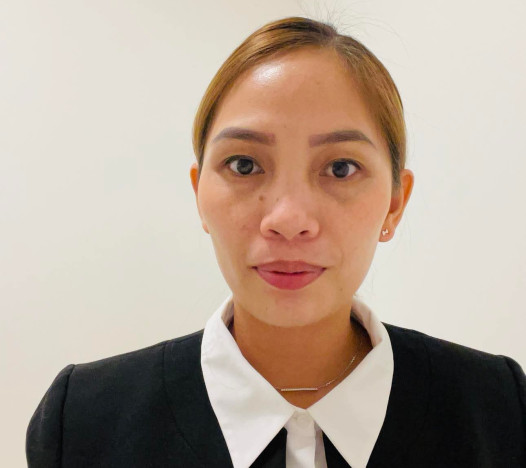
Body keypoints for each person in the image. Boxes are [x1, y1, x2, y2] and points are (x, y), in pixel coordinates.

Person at [26, 16, 526, 468]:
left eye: (340, 168)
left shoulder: (499, 408)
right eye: (244, 165)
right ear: (199, 193)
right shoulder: (84, 420)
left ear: (395, 203)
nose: (288, 220)